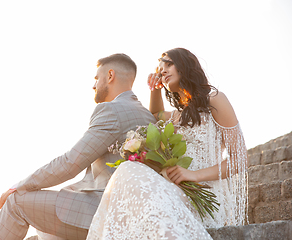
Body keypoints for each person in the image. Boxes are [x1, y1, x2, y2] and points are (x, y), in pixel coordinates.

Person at [0, 53, 156, 240]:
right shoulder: (149, 118)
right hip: (132, 212)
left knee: (16, 202)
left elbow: (70, 163)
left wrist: (18, 186)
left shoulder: (111, 111)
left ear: (110, 75)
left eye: (97, 78)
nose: (94, 85)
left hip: (103, 211)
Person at [86, 48, 248, 239]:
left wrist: (193, 175)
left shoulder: (215, 100)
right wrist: (155, 90)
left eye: (168, 64)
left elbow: (240, 159)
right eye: (160, 68)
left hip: (205, 194)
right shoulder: (178, 115)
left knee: (129, 173)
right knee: (127, 170)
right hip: (178, 190)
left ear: (186, 65)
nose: (163, 70)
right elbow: (155, 116)